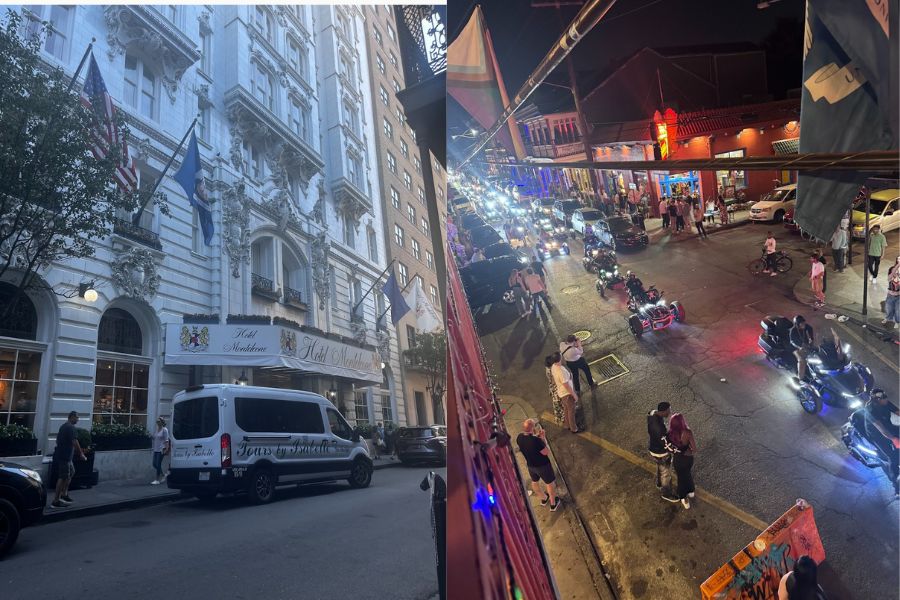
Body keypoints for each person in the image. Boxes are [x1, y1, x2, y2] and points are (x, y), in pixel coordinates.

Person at [516, 419, 561, 511]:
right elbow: (546, 452)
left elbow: (529, 441)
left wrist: (537, 437)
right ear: (532, 428)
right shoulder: (536, 441)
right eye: (535, 425)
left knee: (535, 482)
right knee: (549, 483)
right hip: (543, 465)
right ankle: (553, 503)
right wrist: (543, 438)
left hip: (531, 466)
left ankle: (544, 498)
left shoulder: (519, 437)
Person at [865, 389, 900, 496]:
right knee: (893, 457)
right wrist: (894, 439)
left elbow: (898, 412)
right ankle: (896, 487)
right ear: (877, 400)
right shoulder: (870, 410)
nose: (886, 401)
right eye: (883, 399)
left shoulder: (885, 402)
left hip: (888, 426)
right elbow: (881, 429)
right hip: (877, 434)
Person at [51, 411, 87, 508]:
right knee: (62, 477)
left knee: (71, 472)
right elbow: (75, 441)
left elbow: (57, 440)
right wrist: (81, 454)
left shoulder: (63, 426)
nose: (78, 419)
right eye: (77, 417)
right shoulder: (71, 428)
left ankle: (64, 494)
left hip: (65, 455)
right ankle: (56, 501)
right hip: (64, 456)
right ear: (71, 417)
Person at [666, 413, 697, 509]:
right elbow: (694, 449)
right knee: (687, 474)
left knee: (681, 478)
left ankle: (684, 499)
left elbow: (668, 448)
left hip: (678, 460)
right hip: (687, 459)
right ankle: (691, 492)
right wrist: (687, 452)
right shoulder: (687, 432)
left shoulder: (669, 434)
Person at [648, 402, 678, 502]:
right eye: (669, 411)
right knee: (666, 473)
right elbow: (666, 444)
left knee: (660, 467)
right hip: (660, 453)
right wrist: (675, 450)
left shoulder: (652, 414)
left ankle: (659, 483)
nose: (670, 413)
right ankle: (666, 493)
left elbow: (650, 412)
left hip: (653, 448)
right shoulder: (659, 429)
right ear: (663, 412)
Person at [550, 352, 579, 433]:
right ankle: (574, 428)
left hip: (561, 393)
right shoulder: (561, 371)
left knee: (566, 409)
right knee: (571, 411)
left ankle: (567, 425)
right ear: (560, 359)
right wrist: (574, 394)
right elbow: (566, 385)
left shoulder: (553, 367)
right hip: (567, 393)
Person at [790, 315, 815, 382]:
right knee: (802, 360)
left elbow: (811, 335)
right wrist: (799, 347)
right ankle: (800, 378)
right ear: (797, 324)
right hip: (795, 348)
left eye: (804, 322)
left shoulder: (807, 327)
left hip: (805, 345)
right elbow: (792, 341)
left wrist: (811, 341)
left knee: (815, 355)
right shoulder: (793, 330)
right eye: (801, 324)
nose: (803, 324)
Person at [545, 355, 565, 427]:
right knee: (560, 404)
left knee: (556, 404)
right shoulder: (552, 370)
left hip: (552, 388)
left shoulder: (547, 368)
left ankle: (558, 418)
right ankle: (563, 418)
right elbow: (555, 380)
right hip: (556, 389)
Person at [150, 417, 171, 484]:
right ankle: (164, 475)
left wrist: (166, 449)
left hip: (161, 449)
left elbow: (166, 440)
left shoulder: (165, 430)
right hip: (156, 449)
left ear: (162, 422)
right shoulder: (157, 429)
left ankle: (157, 480)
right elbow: (155, 438)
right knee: (154, 464)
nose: (157, 423)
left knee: (158, 464)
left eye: (159, 421)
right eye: (157, 422)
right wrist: (152, 437)